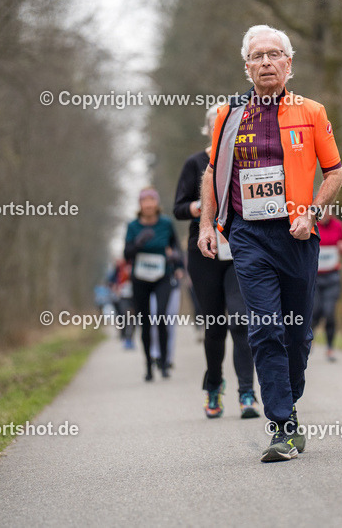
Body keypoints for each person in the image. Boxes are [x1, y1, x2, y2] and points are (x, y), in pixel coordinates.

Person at [198, 24, 342, 462]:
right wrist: (208, 225)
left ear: (289, 63)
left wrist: (312, 212)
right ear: (246, 67)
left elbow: (334, 171)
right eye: (257, 56)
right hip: (248, 235)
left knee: (297, 334)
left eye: (274, 54)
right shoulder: (228, 115)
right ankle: (281, 425)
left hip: (297, 234)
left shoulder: (311, 111)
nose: (266, 62)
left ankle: (289, 403)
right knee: (264, 327)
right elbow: (212, 171)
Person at [175, 106, 259, 419]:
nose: (221, 129)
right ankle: (213, 384)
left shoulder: (245, 159)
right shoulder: (195, 163)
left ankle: (247, 392)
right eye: (216, 125)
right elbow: (178, 208)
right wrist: (204, 205)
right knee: (214, 325)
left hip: (239, 247)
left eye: (227, 124)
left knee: (240, 320)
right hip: (204, 251)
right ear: (208, 129)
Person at [123, 188, 183, 381]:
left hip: (162, 276)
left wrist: (178, 264)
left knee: (162, 316)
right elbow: (126, 254)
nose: (148, 204)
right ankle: (148, 366)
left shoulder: (166, 223)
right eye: (144, 200)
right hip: (140, 279)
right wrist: (137, 244)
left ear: (157, 203)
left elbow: (175, 247)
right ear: (140, 204)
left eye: (151, 200)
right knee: (145, 322)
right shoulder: (133, 226)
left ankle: (164, 363)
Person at [312, 210, 342, 361]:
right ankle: (309, 338)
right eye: (323, 212)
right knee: (315, 311)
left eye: (328, 211)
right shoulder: (312, 224)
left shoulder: (338, 225)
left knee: (329, 312)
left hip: (332, 277)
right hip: (315, 278)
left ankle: (330, 348)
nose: (326, 215)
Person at [107, 258, 135, 350]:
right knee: (125, 316)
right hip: (122, 296)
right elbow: (111, 281)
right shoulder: (119, 267)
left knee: (132, 317)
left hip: (134, 295)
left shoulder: (136, 263)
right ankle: (125, 337)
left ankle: (130, 338)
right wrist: (115, 287)